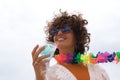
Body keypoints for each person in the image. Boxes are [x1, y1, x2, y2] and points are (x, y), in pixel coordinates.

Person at [32, 10, 110, 80]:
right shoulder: (50, 74)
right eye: (55, 32)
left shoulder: (97, 70)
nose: (59, 33)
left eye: (65, 29)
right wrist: (39, 77)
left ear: (77, 36)